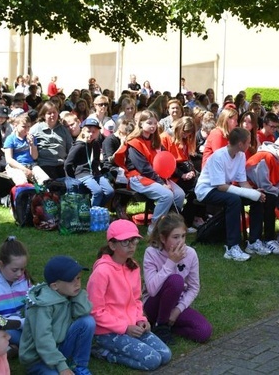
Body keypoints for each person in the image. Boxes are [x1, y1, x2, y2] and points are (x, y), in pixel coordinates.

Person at [87, 220, 171, 371]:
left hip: (133, 327)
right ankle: (102, 351)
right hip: (108, 331)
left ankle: (116, 346)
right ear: (112, 245)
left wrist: (141, 319)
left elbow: (136, 300)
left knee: (165, 355)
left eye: (134, 240)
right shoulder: (101, 272)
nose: (132, 245)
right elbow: (95, 312)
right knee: (153, 361)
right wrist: (125, 327)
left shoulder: (133, 266)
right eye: (125, 242)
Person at [194, 127, 265, 261]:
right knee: (234, 200)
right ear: (240, 144)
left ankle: (254, 241)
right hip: (206, 190)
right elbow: (220, 186)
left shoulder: (241, 155)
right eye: (248, 142)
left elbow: (243, 182)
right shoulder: (218, 156)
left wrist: (254, 193)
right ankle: (232, 247)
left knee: (257, 199)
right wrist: (248, 193)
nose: (250, 145)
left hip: (223, 189)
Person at [19, 255, 95, 375]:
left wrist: (78, 294)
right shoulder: (42, 305)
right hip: (38, 358)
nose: (77, 283)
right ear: (54, 286)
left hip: (60, 347)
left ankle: (78, 366)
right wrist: (61, 366)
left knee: (88, 322)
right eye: (71, 280)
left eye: (79, 278)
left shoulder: (67, 293)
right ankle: (61, 365)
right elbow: (43, 339)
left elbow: (83, 311)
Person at [143, 213, 212, 344]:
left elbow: (194, 287)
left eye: (183, 236)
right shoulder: (151, 253)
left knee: (203, 332)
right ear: (163, 238)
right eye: (175, 237)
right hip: (153, 304)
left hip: (174, 303)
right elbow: (151, 290)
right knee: (176, 280)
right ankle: (161, 326)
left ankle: (166, 326)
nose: (181, 241)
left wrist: (177, 310)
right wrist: (171, 262)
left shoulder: (190, 253)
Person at [123, 110, 185, 231]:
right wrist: (162, 183)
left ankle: (169, 225)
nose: (153, 126)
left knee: (179, 195)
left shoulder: (156, 142)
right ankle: (154, 228)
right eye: (149, 122)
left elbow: (163, 162)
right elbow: (144, 169)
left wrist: (165, 180)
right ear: (140, 124)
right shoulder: (134, 143)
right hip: (138, 177)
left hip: (157, 177)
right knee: (167, 195)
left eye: (155, 123)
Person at [64, 117, 114, 208]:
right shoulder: (78, 145)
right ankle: (91, 212)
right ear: (83, 131)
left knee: (110, 191)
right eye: (88, 131)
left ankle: (97, 208)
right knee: (97, 191)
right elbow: (67, 163)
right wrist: (73, 177)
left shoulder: (96, 144)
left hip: (95, 173)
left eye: (94, 131)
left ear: (98, 132)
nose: (91, 134)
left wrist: (97, 172)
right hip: (83, 174)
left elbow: (96, 161)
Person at [3, 115, 50, 186]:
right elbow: (9, 160)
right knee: (22, 182)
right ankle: (23, 195)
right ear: (16, 125)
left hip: (31, 165)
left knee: (45, 180)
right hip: (16, 166)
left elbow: (35, 157)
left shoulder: (32, 138)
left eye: (28, 127)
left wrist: (32, 145)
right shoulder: (10, 139)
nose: (27, 129)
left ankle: (42, 195)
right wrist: (24, 169)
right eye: (24, 127)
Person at [31, 102, 74, 179]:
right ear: (43, 115)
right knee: (54, 184)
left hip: (61, 164)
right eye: (49, 113)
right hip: (44, 164)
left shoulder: (63, 129)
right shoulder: (36, 129)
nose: (52, 115)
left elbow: (70, 147)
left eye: (54, 112)